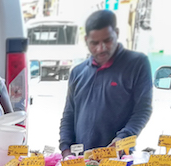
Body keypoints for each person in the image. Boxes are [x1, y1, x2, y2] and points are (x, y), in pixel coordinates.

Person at [59, 10, 152, 153]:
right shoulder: (77, 72)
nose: (101, 48)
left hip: (118, 159)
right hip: (80, 162)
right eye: (94, 43)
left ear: (117, 33)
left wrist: (123, 139)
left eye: (107, 40)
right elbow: (69, 115)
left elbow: (142, 110)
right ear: (86, 41)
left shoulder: (137, 63)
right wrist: (65, 148)